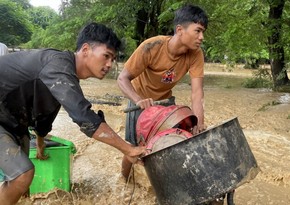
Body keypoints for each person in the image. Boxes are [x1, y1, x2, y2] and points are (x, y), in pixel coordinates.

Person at [0, 22, 146, 205]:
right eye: (106, 56)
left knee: (23, 188)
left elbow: (45, 116)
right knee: (22, 175)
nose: (110, 64)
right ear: (85, 49)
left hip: (12, 123)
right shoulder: (57, 64)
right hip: (4, 120)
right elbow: (84, 117)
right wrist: (128, 148)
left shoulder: (65, 75)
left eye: (113, 59)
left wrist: (40, 143)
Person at [118, 3, 208, 180]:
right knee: (133, 149)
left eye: (203, 32)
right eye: (197, 31)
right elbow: (122, 78)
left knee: (171, 146)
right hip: (140, 103)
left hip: (166, 105)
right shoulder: (152, 46)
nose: (201, 37)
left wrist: (199, 123)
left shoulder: (196, 54)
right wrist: (138, 100)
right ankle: (123, 181)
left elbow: (197, 94)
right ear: (180, 30)